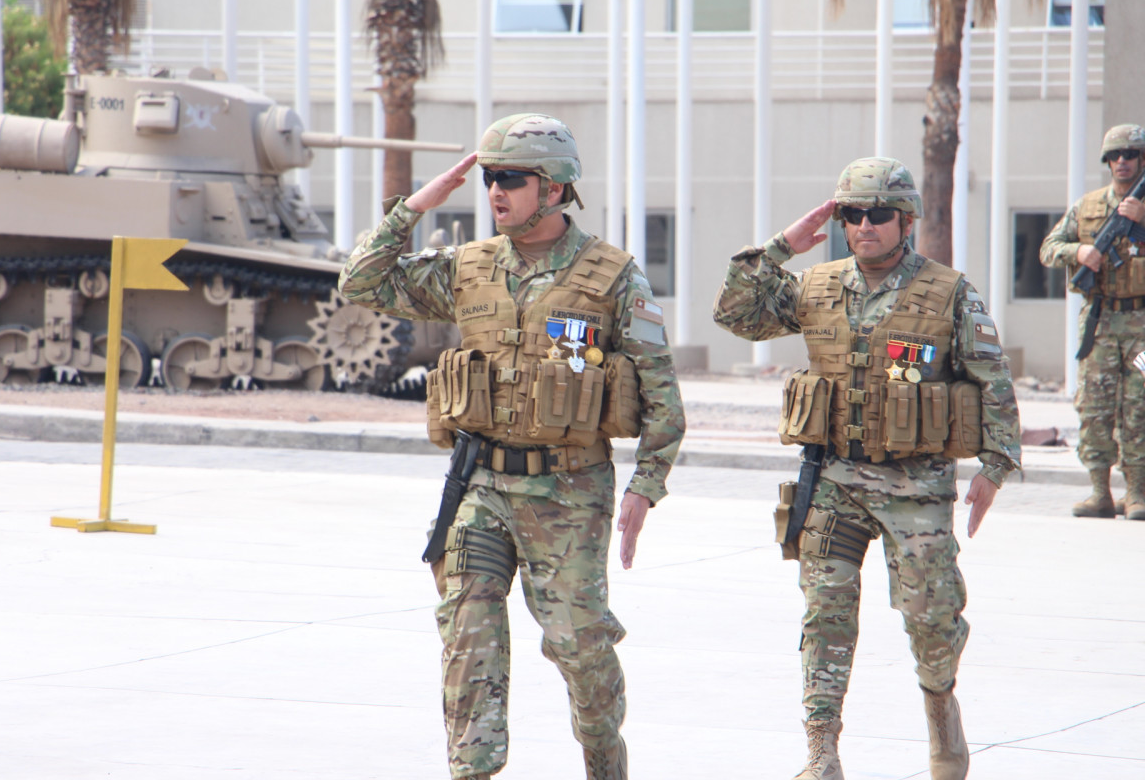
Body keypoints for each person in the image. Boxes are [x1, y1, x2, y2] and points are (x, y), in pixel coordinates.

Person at [338, 113, 685, 780]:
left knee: (579, 650)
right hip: (482, 489)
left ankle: (605, 761)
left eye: (510, 179)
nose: (494, 192)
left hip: (569, 492)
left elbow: (662, 392)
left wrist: (647, 486)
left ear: (553, 190)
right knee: (467, 638)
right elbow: (360, 283)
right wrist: (412, 209)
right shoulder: (467, 269)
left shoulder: (612, 278)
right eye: (490, 178)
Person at [712, 158, 1021, 780]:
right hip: (834, 480)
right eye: (852, 214)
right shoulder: (816, 284)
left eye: (878, 213)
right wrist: (777, 249)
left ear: (905, 221)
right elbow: (737, 315)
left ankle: (940, 711)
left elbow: (992, 377)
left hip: (917, 484)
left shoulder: (948, 291)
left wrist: (996, 464)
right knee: (825, 613)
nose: (865, 225)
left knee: (930, 618)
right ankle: (821, 751)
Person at [1040, 123, 1145, 520]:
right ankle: (1100, 492)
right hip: (1100, 324)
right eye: (1115, 156)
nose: (1122, 162)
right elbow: (1049, 248)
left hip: (1142, 327)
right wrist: (1080, 251)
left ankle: (1137, 493)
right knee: (1095, 407)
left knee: (1139, 407)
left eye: (1130, 154)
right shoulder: (1087, 207)